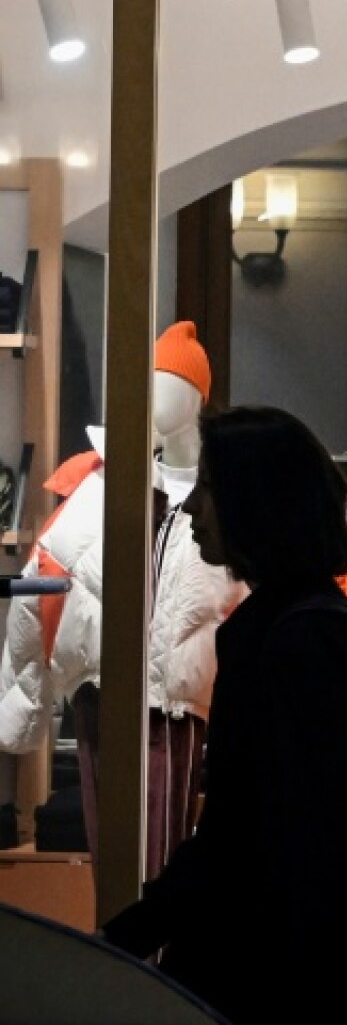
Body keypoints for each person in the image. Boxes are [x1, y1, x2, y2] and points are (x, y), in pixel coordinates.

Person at [101, 405, 347, 1025]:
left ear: (255, 500)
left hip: (289, 978)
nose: (189, 509)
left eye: (208, 488)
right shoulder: (307, 628)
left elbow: (253, 835)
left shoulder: (297, 641)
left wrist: (124, 939)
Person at [0, 321, 242, 873]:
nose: (156, 396)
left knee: (166, 859)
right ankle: (117, 952)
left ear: (198, 396)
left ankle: (150, 958)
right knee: (112, 858)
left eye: (171, 383)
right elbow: (43, 586)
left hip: (181, 706)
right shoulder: (100, 487)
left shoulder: (222, 497)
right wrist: (25, 706)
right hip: (103, 694)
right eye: (149, 381)